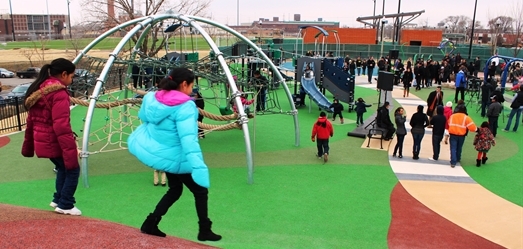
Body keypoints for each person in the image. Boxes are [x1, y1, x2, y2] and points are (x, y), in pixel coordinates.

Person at [127, 68, 221, 241]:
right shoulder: (185, 106)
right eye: (191, 85)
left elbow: (144, 117)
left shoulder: (151, 98)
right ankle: (204, 230)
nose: (192, 90)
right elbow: (189, 140)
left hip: (163, 154)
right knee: (200, 191)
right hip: (176, 157)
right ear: (184, 84)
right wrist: (199, 166)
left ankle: (151, 222)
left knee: (175, 189)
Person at [21, 58, 81, 216]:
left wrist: (28, 144)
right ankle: (66, 204)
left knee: (62, 167)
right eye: (71, 76)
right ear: (64, 74)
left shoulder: (40, 88)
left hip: (42, 139)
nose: (72, 79)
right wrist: (70, 148)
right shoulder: (59, 93)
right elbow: (61, 125)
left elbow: (31, 120)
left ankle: (58, 199)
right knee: (73, 169)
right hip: (53, 140)